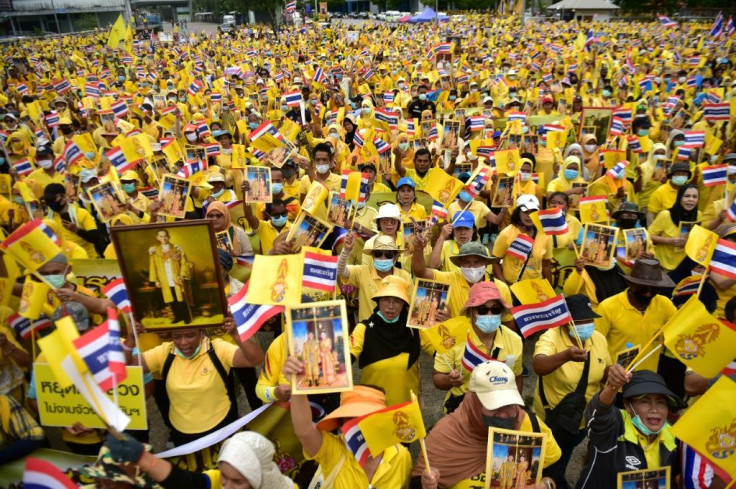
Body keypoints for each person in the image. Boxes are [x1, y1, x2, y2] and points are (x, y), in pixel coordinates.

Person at [414, 360, 562, 489]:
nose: (505, 414)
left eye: (510, 404)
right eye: (495, 406)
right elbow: (416, 483)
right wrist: (427, 485)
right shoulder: (445, 436)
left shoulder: (531, 425)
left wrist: (547, 484)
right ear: (473, 403)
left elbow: (555, 471)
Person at [122, 323, 264, 446]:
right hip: (183, 435)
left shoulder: (218, 348)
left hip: (222, 428)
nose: (183, 342)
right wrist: (131, 340)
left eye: (190, 335)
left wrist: (236, 335)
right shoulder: (164, 352)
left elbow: (255, 359)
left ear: (202, 333)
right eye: (177, 337)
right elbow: (125, 365)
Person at [281, 364, 413, 488]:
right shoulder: (334, 450)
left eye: (367, 417)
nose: (360, 425)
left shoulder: (401, 456)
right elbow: (304, 431)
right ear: (341, 423)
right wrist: (297, 385)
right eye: (351, 418)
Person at [533, 295, 611, 488]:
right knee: (545, 460)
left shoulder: (598, 339)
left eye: (589, 320)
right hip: (551, 419)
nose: (586, 325)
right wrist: (565, 355)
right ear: (566, 321)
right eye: (579, 321)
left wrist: (618, 372)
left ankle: (556, 478)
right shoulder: (551, 336)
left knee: (564, 454)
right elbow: (538, 365)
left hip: (581, 420)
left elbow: (604, 374)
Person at [576, 368, 686, 489]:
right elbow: (599, 413)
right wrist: (612, 387)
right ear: (627, 406)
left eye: (661, 402)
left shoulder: (674, 439)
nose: (655, 409)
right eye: (645, 401)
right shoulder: (614, 425)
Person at [433, 282, 523, 414]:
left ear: (501, 312)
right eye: (482, 310)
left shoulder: (514, 340)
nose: (489, 314)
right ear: (471, 312)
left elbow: (517, 377)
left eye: (495, 309)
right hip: (463, 409)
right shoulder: (452, 339)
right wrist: (450, 380)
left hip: (500, 409)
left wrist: (515, 410)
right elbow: (437, 378)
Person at [104, 431, 295, 489]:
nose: (226, 487)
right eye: (225, 478)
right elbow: (187, 483)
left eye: (238, 482)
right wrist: (142, 458)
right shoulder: (216, 480)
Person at [350, 275, 433, 406]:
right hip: (373, 408)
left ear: (404, 304)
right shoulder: (364, 329)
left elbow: (440, 351)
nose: (391, 306)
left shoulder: (415, 328)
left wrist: (442, 325)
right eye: (386, 300)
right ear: (378, 301)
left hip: (407, 410)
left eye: (397, 301)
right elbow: (347, 356)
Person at [595, 259, 676, 373]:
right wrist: (606, 372)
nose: (648, 293)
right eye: (643, 289)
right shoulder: (608, 307)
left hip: (647, 381)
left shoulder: (665, 304)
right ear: (630, 283)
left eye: (654, 289)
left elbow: (679, 331)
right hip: (613, 382)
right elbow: (594, 346)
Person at [338, 233, 413, 322]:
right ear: (372, 256)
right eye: (378, 253)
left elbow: (413, 306)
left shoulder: (404, 276)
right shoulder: (362, 272)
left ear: (395, 257)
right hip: (368, 330)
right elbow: (340, 271)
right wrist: (346, 250)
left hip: (395, 332)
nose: (383, 258)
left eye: (388, 254)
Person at [492, 194, 553, 284]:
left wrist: (550, 290)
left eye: (533, 212)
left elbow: (546, 264)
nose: (529, 216)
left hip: (535, 286)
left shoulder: (545, 234)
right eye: (525, 212)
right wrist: (505, 286)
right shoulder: (506, 234)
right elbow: (495, 263)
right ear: (518, 213)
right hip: (511, 285)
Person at [649, 184, 704, 274]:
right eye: (687, 196)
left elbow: (698, 238)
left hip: (685, 266)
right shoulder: (665, 215)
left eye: (694, 197)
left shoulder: (698, 215)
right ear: (679, 198)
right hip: (663, 266)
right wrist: (669, 241)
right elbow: (648, 235)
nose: (691, 199)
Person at [149, 229, 192, 325]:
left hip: (176, 278)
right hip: (165, 279)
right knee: (171, 299)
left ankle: (186, 317)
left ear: (169, 237)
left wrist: (182, 275)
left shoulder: (176, 249)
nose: (163, 238)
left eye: (165, 236)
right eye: (161, 236)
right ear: (157, 238)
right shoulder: (155, 252)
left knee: (181, 299)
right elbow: (153, 267)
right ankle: (178, 316)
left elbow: (184, 263)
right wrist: (155, 280)